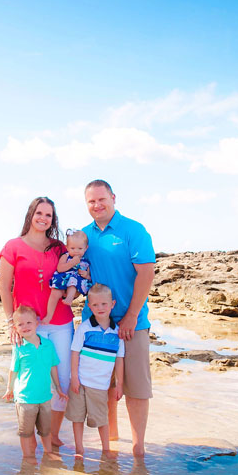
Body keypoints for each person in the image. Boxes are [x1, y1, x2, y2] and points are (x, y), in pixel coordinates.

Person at [82, 179, 156, 458]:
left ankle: (138, 449)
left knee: (136, 388)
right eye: (91, 201)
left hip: (132, 324)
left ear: (113, 198)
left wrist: (131, 317)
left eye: (102, 199)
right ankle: (111, 443)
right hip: (95, 325)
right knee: (105, 385)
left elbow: (146, 274)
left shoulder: (133, 230)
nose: (97, 205)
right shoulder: (85, 236)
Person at [0, 197, 75, 448]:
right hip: (29, 325)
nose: (43, 218)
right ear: (31, 214)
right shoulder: (12, 247)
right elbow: (4, 288)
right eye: (39, 213)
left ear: (53, 220)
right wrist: (11, 323)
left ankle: (52, 435)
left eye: (49, 215)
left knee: (61, 380)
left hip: (61, 323)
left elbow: (74, 270)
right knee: (27, 381)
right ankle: (28, 437)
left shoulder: (59, 247)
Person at [2, 305, 67, 461]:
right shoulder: (19, 347)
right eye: (20, 324)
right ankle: (28, 457)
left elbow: (53, 367)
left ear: (36, 323)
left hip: (45, 397)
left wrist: (58, 388)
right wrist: (9, 389)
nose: (25, 327)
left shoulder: (48, 345)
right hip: (25, 398)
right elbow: (13, 370)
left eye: (29, 323)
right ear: (15, 328)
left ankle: (48, 452)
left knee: (46, 430)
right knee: (26, 431)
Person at [66, 284, 124, 459]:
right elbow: (74, 352)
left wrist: (120, 384)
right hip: (80, 381)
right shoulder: (84, 328)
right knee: (77, 416)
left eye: (104, 304)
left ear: (112, 304)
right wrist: (74, 378)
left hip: (100, 385)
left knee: (101, 418)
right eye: (95, 305)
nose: (100, 308)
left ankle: (106, 449)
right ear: (89, 306)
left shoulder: (117, 332)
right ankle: (79, 448)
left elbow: (119, 360)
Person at [42, 230, 92, 324]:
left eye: (80, 248)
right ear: (67, 247)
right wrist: (72, 262)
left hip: (74, 282)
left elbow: (89, 276)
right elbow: (60, 268)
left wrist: (86, 275)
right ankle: (49, 315)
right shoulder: (65, 256)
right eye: (72, 248)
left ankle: (69, 298)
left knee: (73, 283)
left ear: (86, 248)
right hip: (63, 278)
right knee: (55, 293)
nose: (76, 251)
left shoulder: (85, 261)